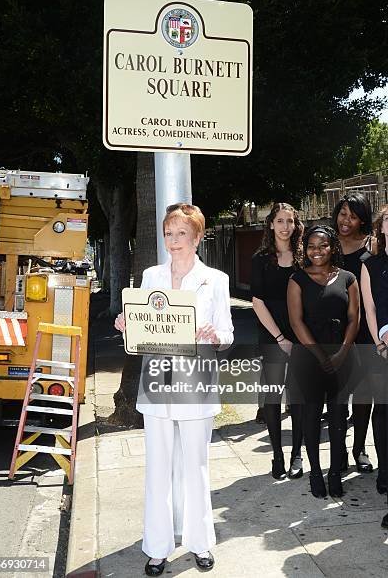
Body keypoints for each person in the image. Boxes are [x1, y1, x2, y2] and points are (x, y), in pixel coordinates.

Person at [114, 203, 234, 576]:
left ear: (198, 238)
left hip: (196, 381)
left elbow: (227, 333)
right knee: (158, 468)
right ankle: (157, 547)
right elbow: (141, 329)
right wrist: (125, 324)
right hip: (157, 381)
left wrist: (216, 335)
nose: (174, 240)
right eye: (169, 233)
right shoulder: (150, 276)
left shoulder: (214, 279)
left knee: (195, 467)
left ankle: (200, 544)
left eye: (182, 233)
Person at [288, 225, 360, 498]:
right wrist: (320, 356)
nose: (316, 252)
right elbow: (296, 321)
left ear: (333, 247)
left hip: (342, 355)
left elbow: (354, 318)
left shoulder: (348, 278)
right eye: (311, 247)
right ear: (305, 250)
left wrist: (342, 353)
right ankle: (315, 472)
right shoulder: (297, 279)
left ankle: (334, 473)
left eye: (323, 246)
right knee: (311, 414)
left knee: (339, 415)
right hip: (308, 357)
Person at [250, 202, 304, 480]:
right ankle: (278, 455)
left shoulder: (303, 257)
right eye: (280, 221)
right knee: (272, 396)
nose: (285, 226)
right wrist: (280, 338)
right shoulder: (260, 259)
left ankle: (296, 454)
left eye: (290, 221)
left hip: (301, 335)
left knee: (297, 398)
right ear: (271, 224)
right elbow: (257, 302)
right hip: (273, 336)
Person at [332, 194, 377, 472]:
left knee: (364, 393)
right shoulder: (326, 244)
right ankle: (339, 452)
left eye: (353, 216)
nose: (346, 221)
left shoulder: (371, 247)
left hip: (364, 330)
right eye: (343, 214)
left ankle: (360, 449)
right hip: (333, 328)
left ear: (362, 219)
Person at [361, 204, 388, 528]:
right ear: (381, 228)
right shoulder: (370, 264)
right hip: (383, 346)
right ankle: (385, 470)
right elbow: (369, 307)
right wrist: (379, 345)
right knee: (382, 412)